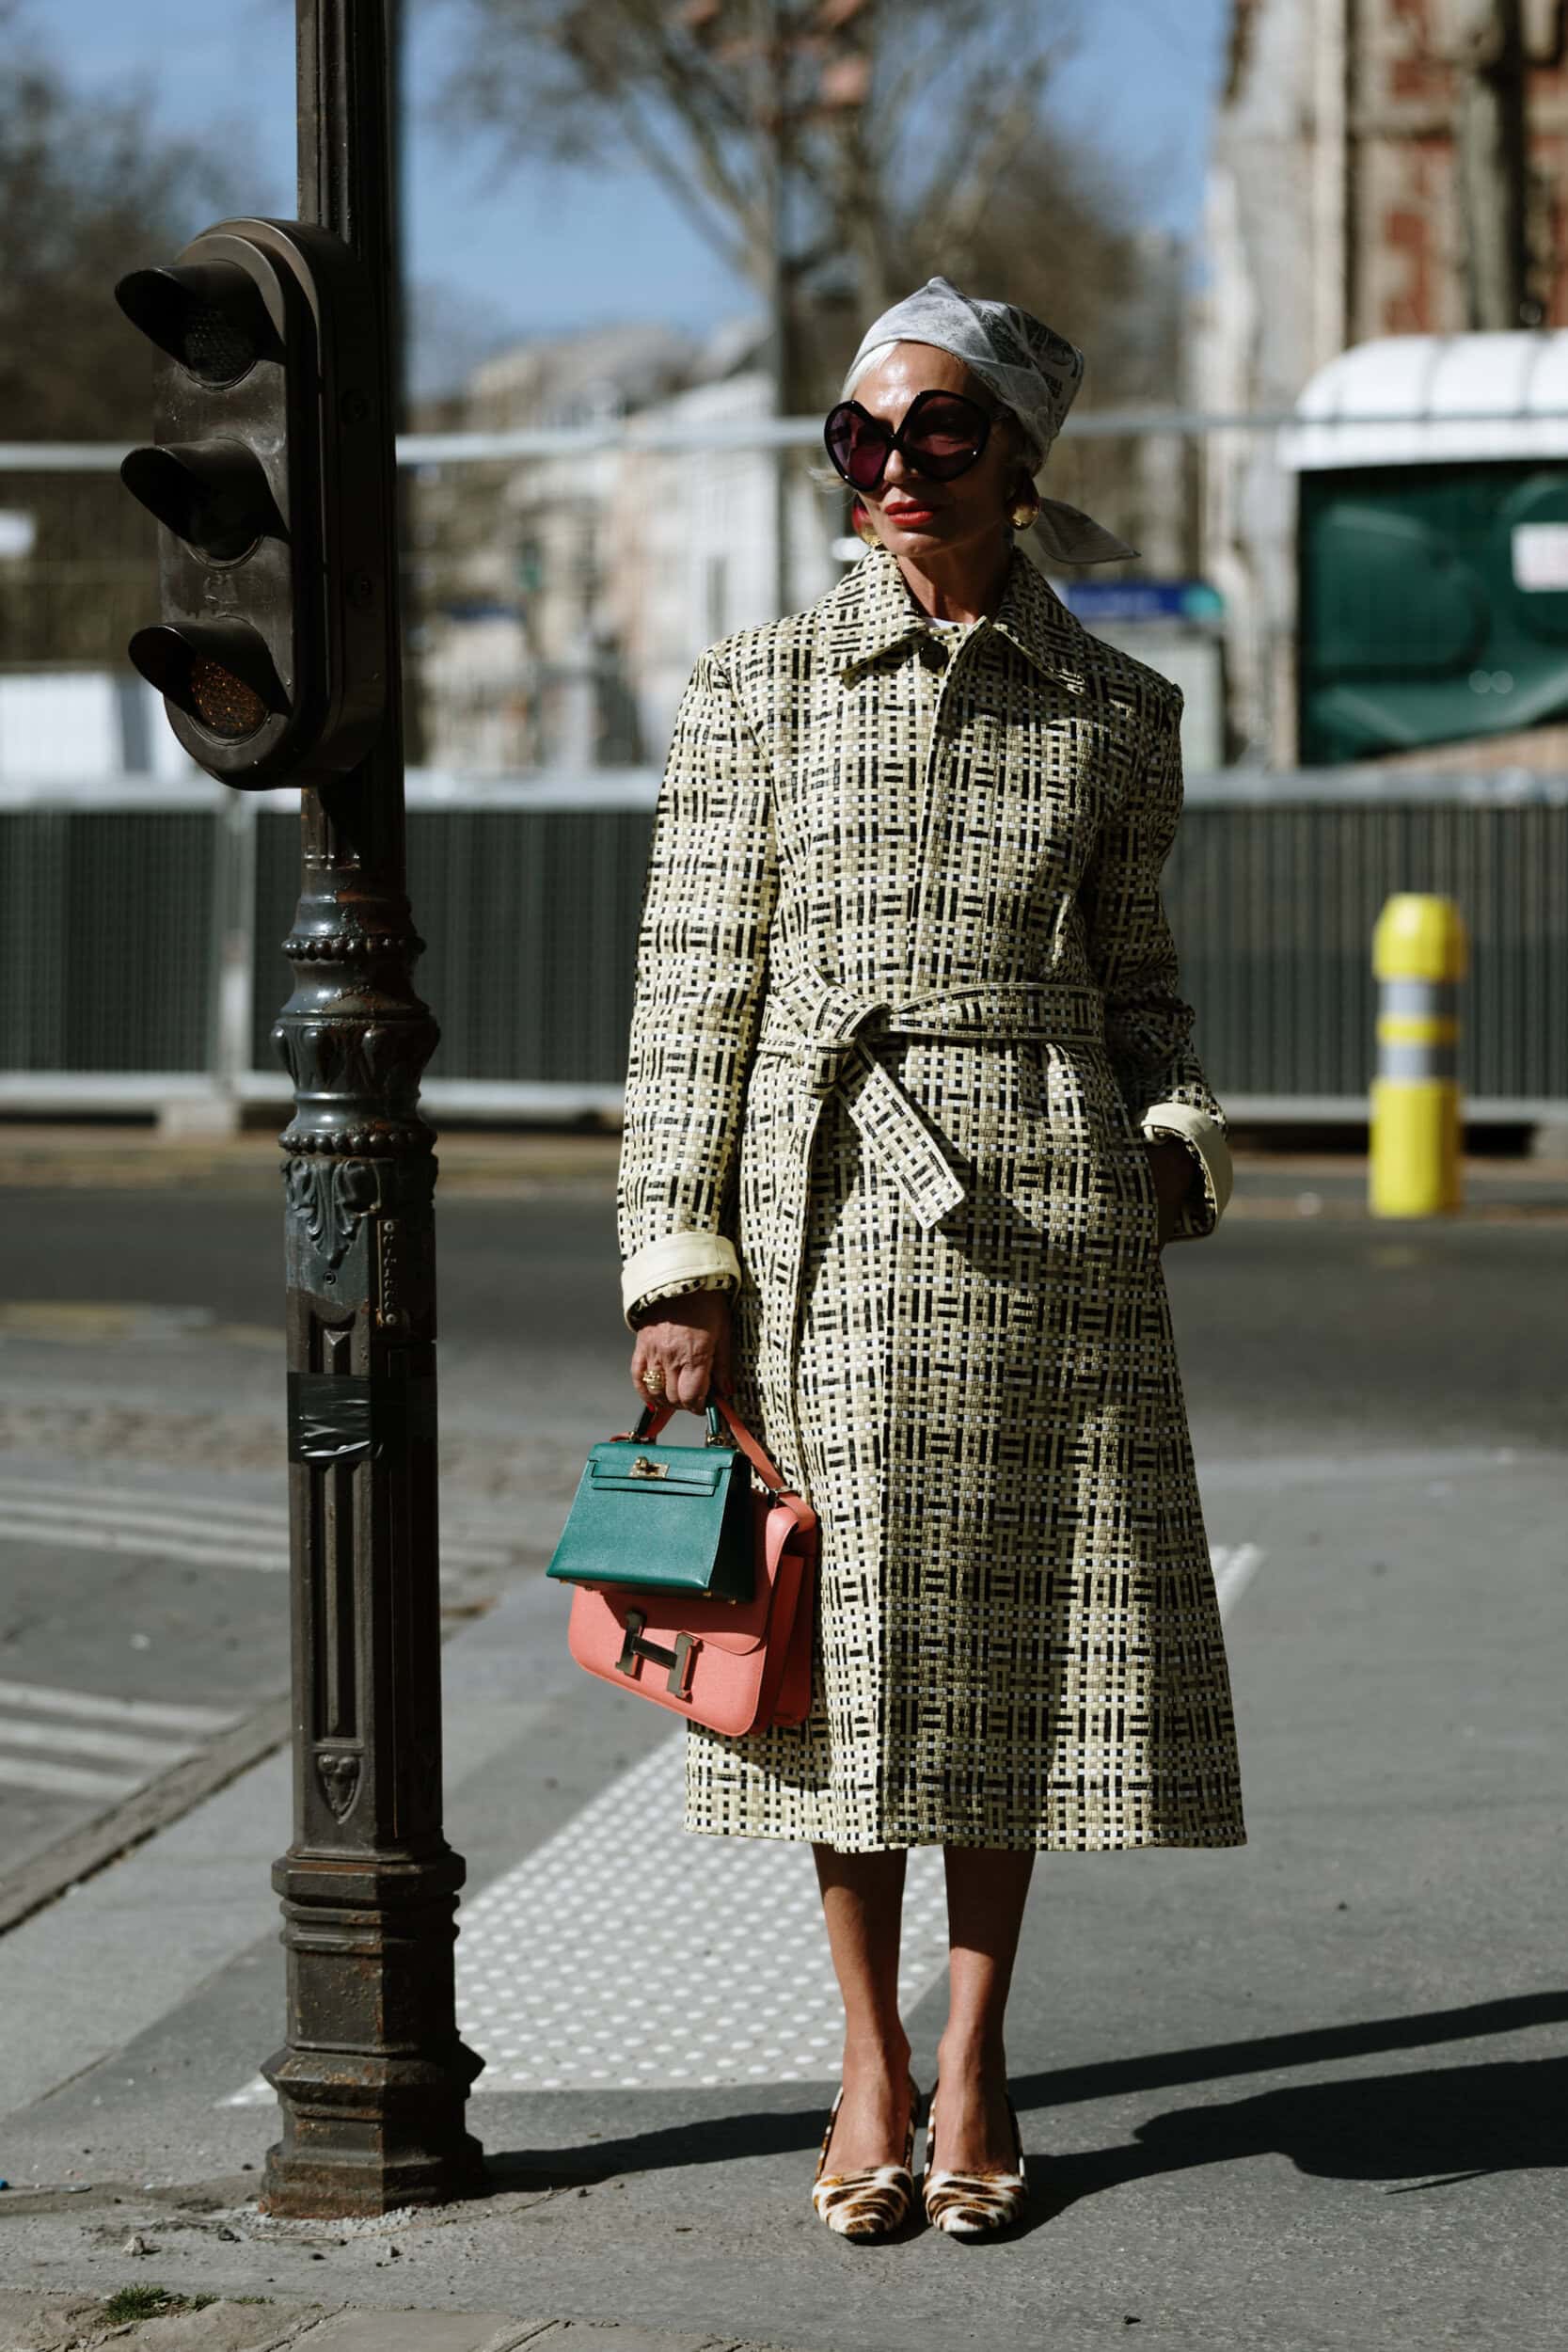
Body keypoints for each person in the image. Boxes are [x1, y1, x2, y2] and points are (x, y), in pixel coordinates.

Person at [615, 276, 1245, 2241]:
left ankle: (975, 2049)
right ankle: (865, 2047)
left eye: (938, 432)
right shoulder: (757, 687)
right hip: (830, 1219)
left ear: (1023, 461)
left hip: (1054, 1218)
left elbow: (1147, 999)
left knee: (1009, 1643)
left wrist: (1172, 1149)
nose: (893, 468)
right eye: (861, 436)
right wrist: (676, 1258)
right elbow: (690, 991)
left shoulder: (1118, 712)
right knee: (844, 1656)